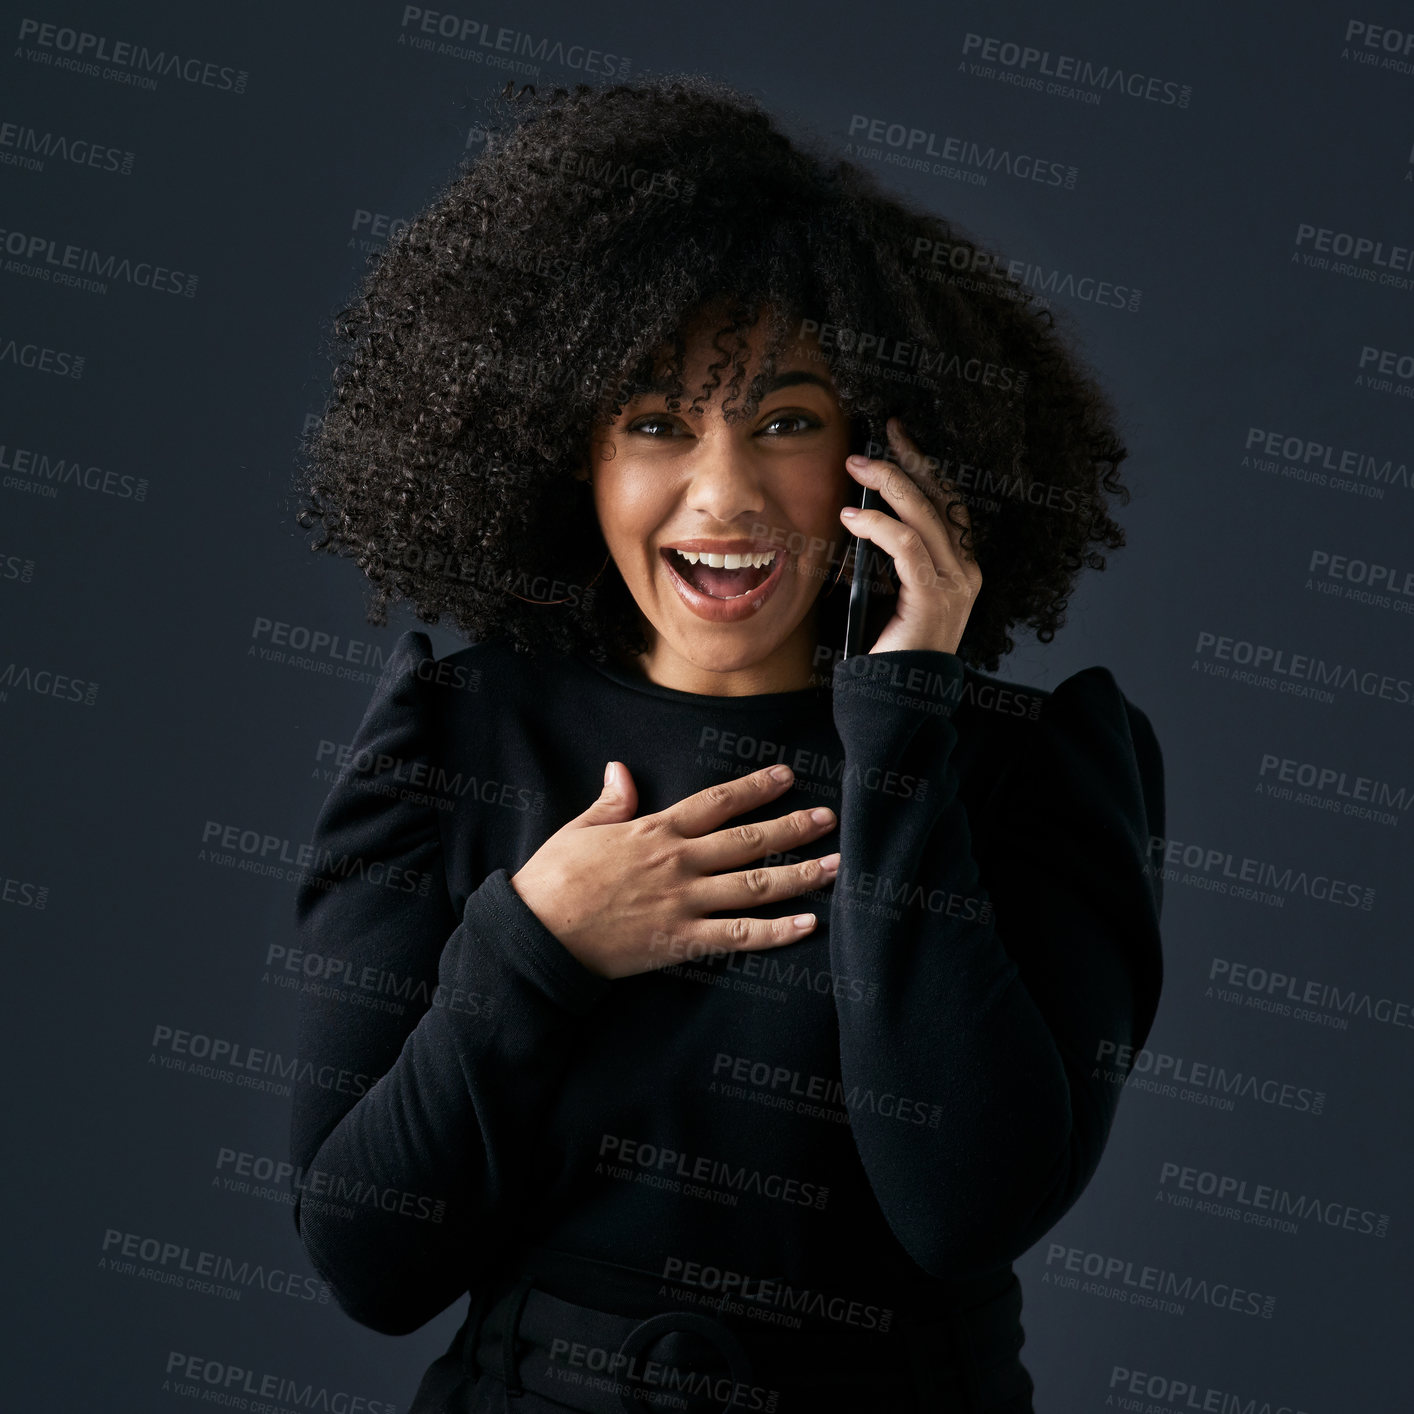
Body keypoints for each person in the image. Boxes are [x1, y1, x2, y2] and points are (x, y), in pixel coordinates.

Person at [287, 74, 1164, 1414]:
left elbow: (961, 1210)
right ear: (559, 454)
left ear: (887, 458)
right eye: (653, 423)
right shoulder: (458, 734)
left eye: (787, 422)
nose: (724, 493)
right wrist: (538, 943)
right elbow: (370, 1258)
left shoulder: (1032, 771)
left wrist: (902, 730)